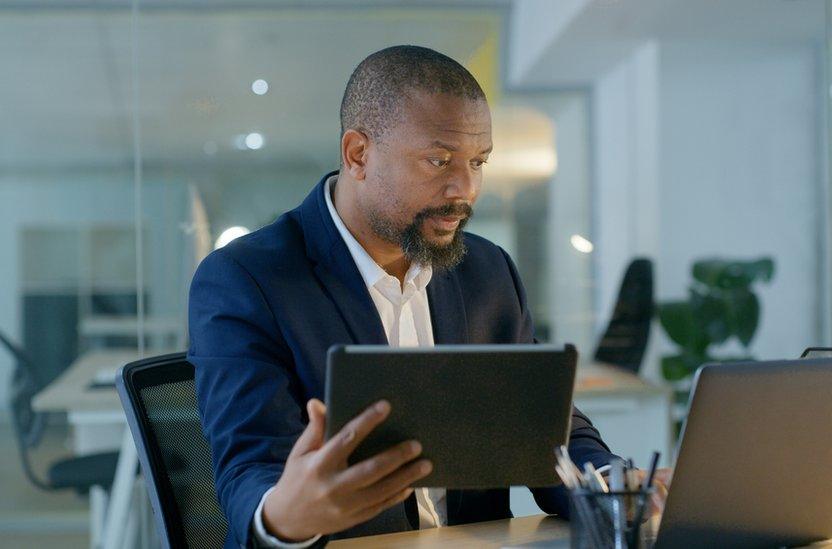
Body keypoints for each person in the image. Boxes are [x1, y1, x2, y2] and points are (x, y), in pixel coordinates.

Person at [189, 45, 633, 548]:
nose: (464, 188)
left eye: (478, 161)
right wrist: (287, 516)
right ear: (358, 154)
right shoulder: (247, 278)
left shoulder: (486, 271)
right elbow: (249, 466)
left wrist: (615, 484)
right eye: (438, 160)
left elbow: (549, 428)